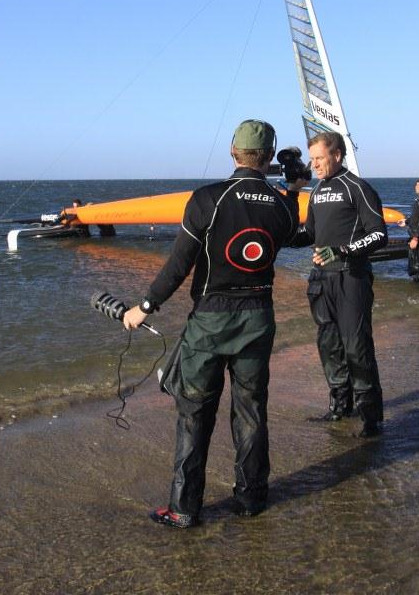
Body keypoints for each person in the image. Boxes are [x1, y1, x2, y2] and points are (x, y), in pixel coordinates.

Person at [123, 120, 299, 528]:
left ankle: (184, 509)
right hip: (259, 317)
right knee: (251, 410)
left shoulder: (207, 199)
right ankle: (252, 499)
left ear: (233, 152)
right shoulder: (280, 206)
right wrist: (293, 185)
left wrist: (144, 306)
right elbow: (295, 234)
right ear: (269, 157)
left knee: (194, 414)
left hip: (211, 321)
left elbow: (179, 264)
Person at [289, 131, 387, 437]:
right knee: (329, 346)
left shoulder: (357, 188)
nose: (314, 164)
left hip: (351, 277)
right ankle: (340, 406)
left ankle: (371, 417)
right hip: (321, 280)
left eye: (319, 158)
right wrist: (281, 233)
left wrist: (343, 249)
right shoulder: (317, 192)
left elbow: (378, 234)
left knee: (356, 347)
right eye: (312, 159)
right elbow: (308, 234)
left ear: (337, 156)